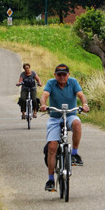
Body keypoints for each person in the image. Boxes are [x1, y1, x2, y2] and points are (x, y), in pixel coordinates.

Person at [39, 64, 90, 192]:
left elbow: (81, 95)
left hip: (70, 115)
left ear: (68, 75)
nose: (62, 77)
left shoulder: (73, 82)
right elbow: (44, 95)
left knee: (77, 123)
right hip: (55, 117)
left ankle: (74, 154)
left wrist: (84, 104)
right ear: (55, 75)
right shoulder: (51, 83)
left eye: (64, 74)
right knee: (52, 147)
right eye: (59, 74)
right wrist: (44, 105)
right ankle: (51, 180)